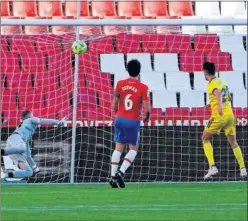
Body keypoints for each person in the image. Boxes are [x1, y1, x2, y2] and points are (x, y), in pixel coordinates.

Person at [202, 62, 247, 179]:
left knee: (205, 138)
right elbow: (228, 96)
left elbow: (217, 93)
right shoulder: (222, 81)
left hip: (219, 115)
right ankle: (243, 169)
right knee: (233, 142)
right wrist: (210, 104)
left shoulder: (211, 84)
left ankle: (212, 167)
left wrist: (219, 107)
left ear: (205, 72)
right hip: (230, 115)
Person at [109, 59, 151, 188]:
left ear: (127, 70)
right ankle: (121, 173)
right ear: (139, 71)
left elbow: (114, 105)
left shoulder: (120, 84)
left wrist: (117, 115)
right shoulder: (143, 87)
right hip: (133, 120)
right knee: (133, 149)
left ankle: (112, 176)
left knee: (118, 148)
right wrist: (146, 117)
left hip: (120, 119)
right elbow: (147, 108)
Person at [1, 110, 67, 180]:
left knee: (29, 172)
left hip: (13, 148)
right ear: (29, 116)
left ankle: (4, 175)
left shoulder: (26, 138)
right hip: (16, 138)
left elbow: (28, 156)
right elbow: (43, 121)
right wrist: (59, 123)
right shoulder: (30, 120)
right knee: (23, 149)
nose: (35, 117)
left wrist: (35, 168)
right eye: (33, 115)